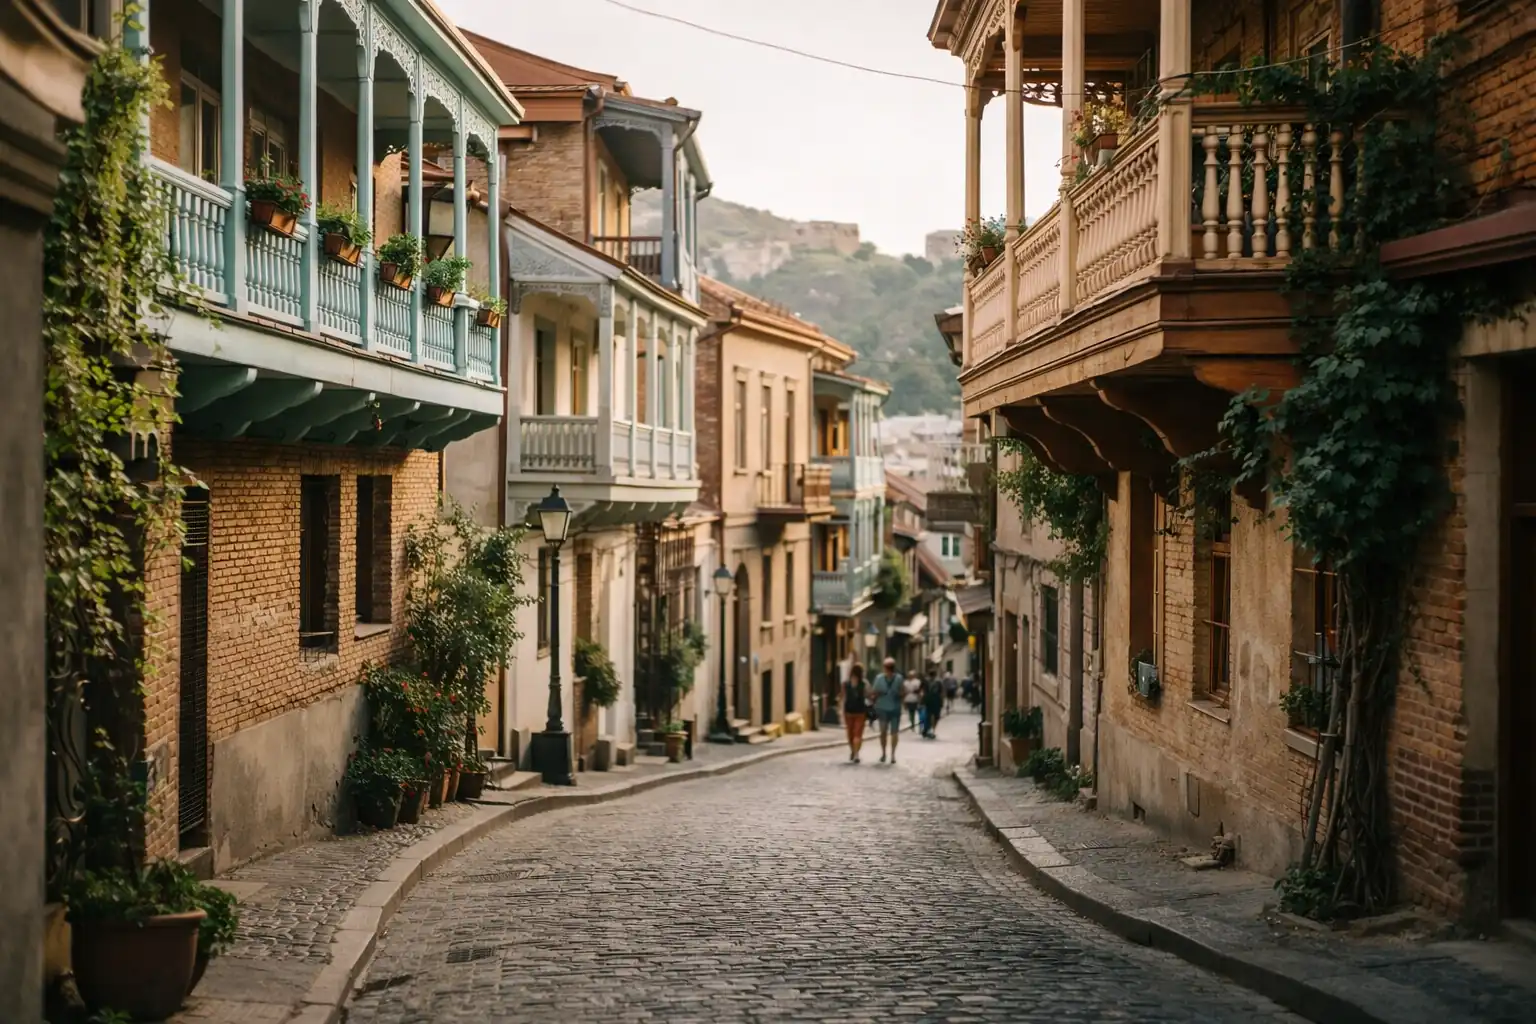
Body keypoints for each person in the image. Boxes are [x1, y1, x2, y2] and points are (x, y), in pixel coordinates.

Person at [871, 657, 905, 764]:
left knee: (883, 732)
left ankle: (884, 753)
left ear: (885, 667)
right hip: (895, 708)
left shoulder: (879, 678)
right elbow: (902, 692)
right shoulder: (899, 678)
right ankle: (893, 755)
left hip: (882, 708)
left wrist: (877, 696)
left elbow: (874, 693)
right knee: (894, 732)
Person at [842, 663, 870, 763]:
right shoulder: (864, 683)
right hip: (860, 711)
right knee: (858, 733)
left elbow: (843, 697)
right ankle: (856, 754)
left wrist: (841, 710)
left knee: (850, 733)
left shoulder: (846, 683)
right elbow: (868, 695)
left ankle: (853, 751)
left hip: (848, 711)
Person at [922, 670, 945, 739]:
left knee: (928, 715)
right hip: (936, 700)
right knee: (936, 716)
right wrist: (942, 701)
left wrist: (923, 700)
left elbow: (923, 692)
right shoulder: (939, 682)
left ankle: (928, 729)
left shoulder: (926, 681)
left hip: (928, 700)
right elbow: (942, 692)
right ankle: (931, 730)